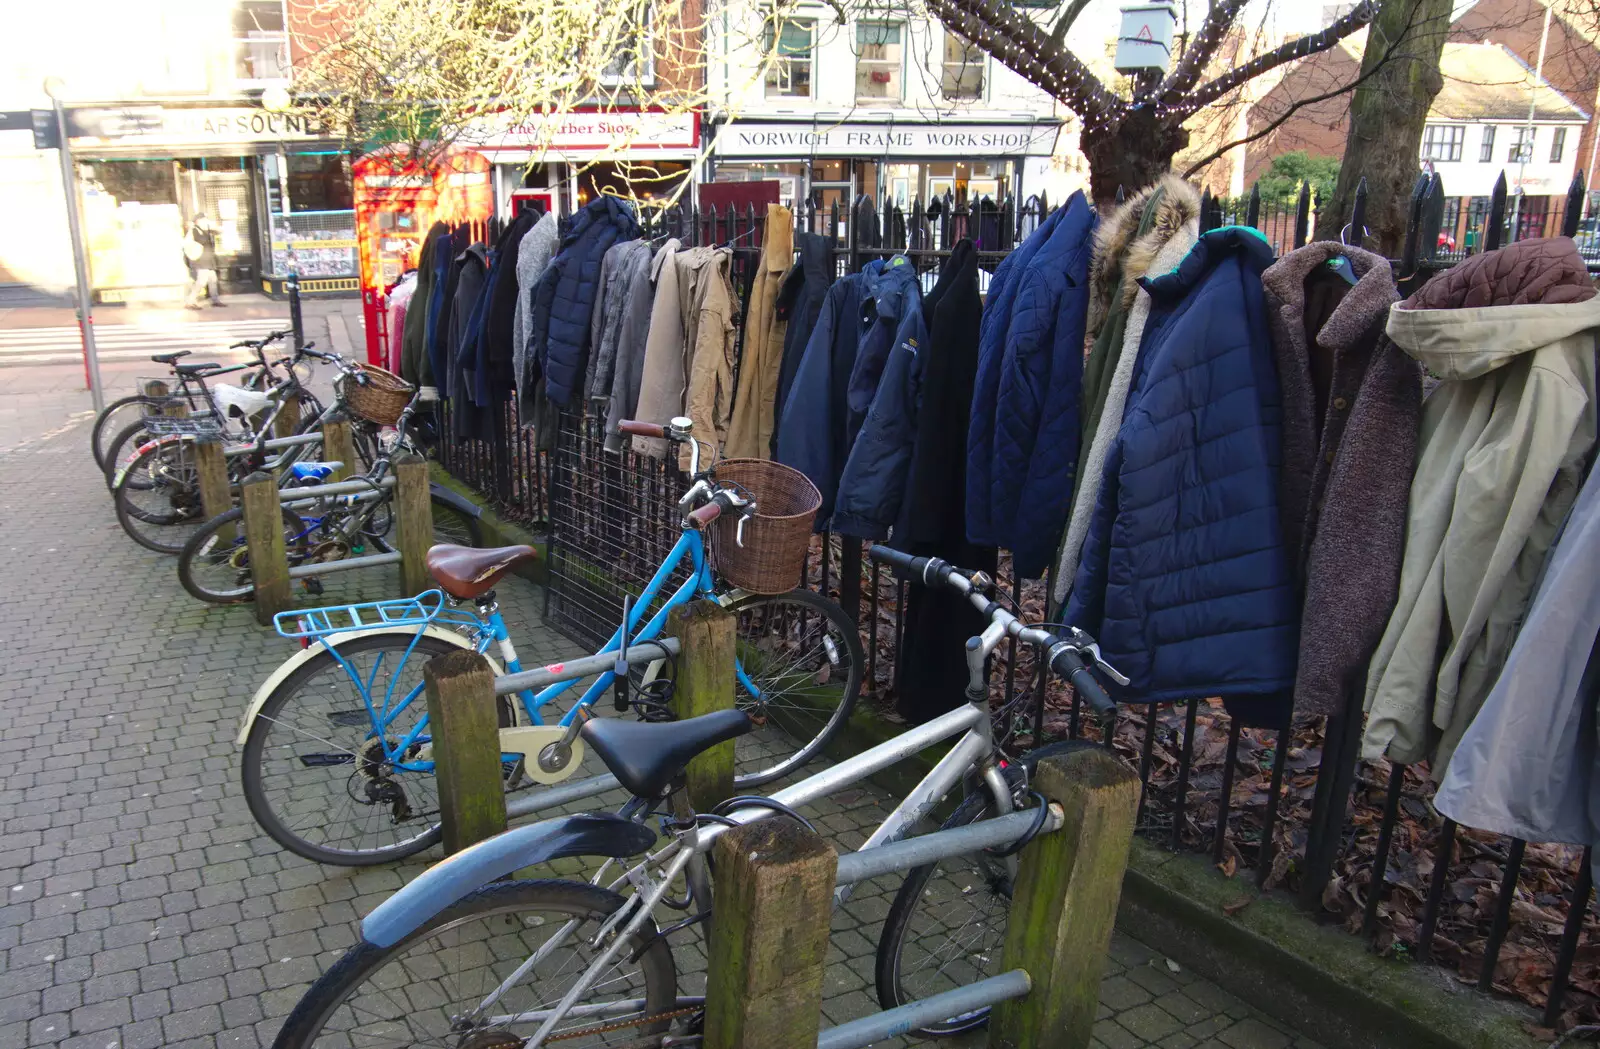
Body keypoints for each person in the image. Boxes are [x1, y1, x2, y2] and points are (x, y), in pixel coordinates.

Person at [183, 217, 224, 309]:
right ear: (198, 221)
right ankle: (190, 301)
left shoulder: (206, 229)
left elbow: (220, 232)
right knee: (201, 281)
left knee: (213, 280)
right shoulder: (194, 230)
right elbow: (201, 240)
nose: (206, 221)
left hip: (208, 260)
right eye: (203, 220)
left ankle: (215, 300)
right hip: (201, 260)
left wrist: (213, 226)